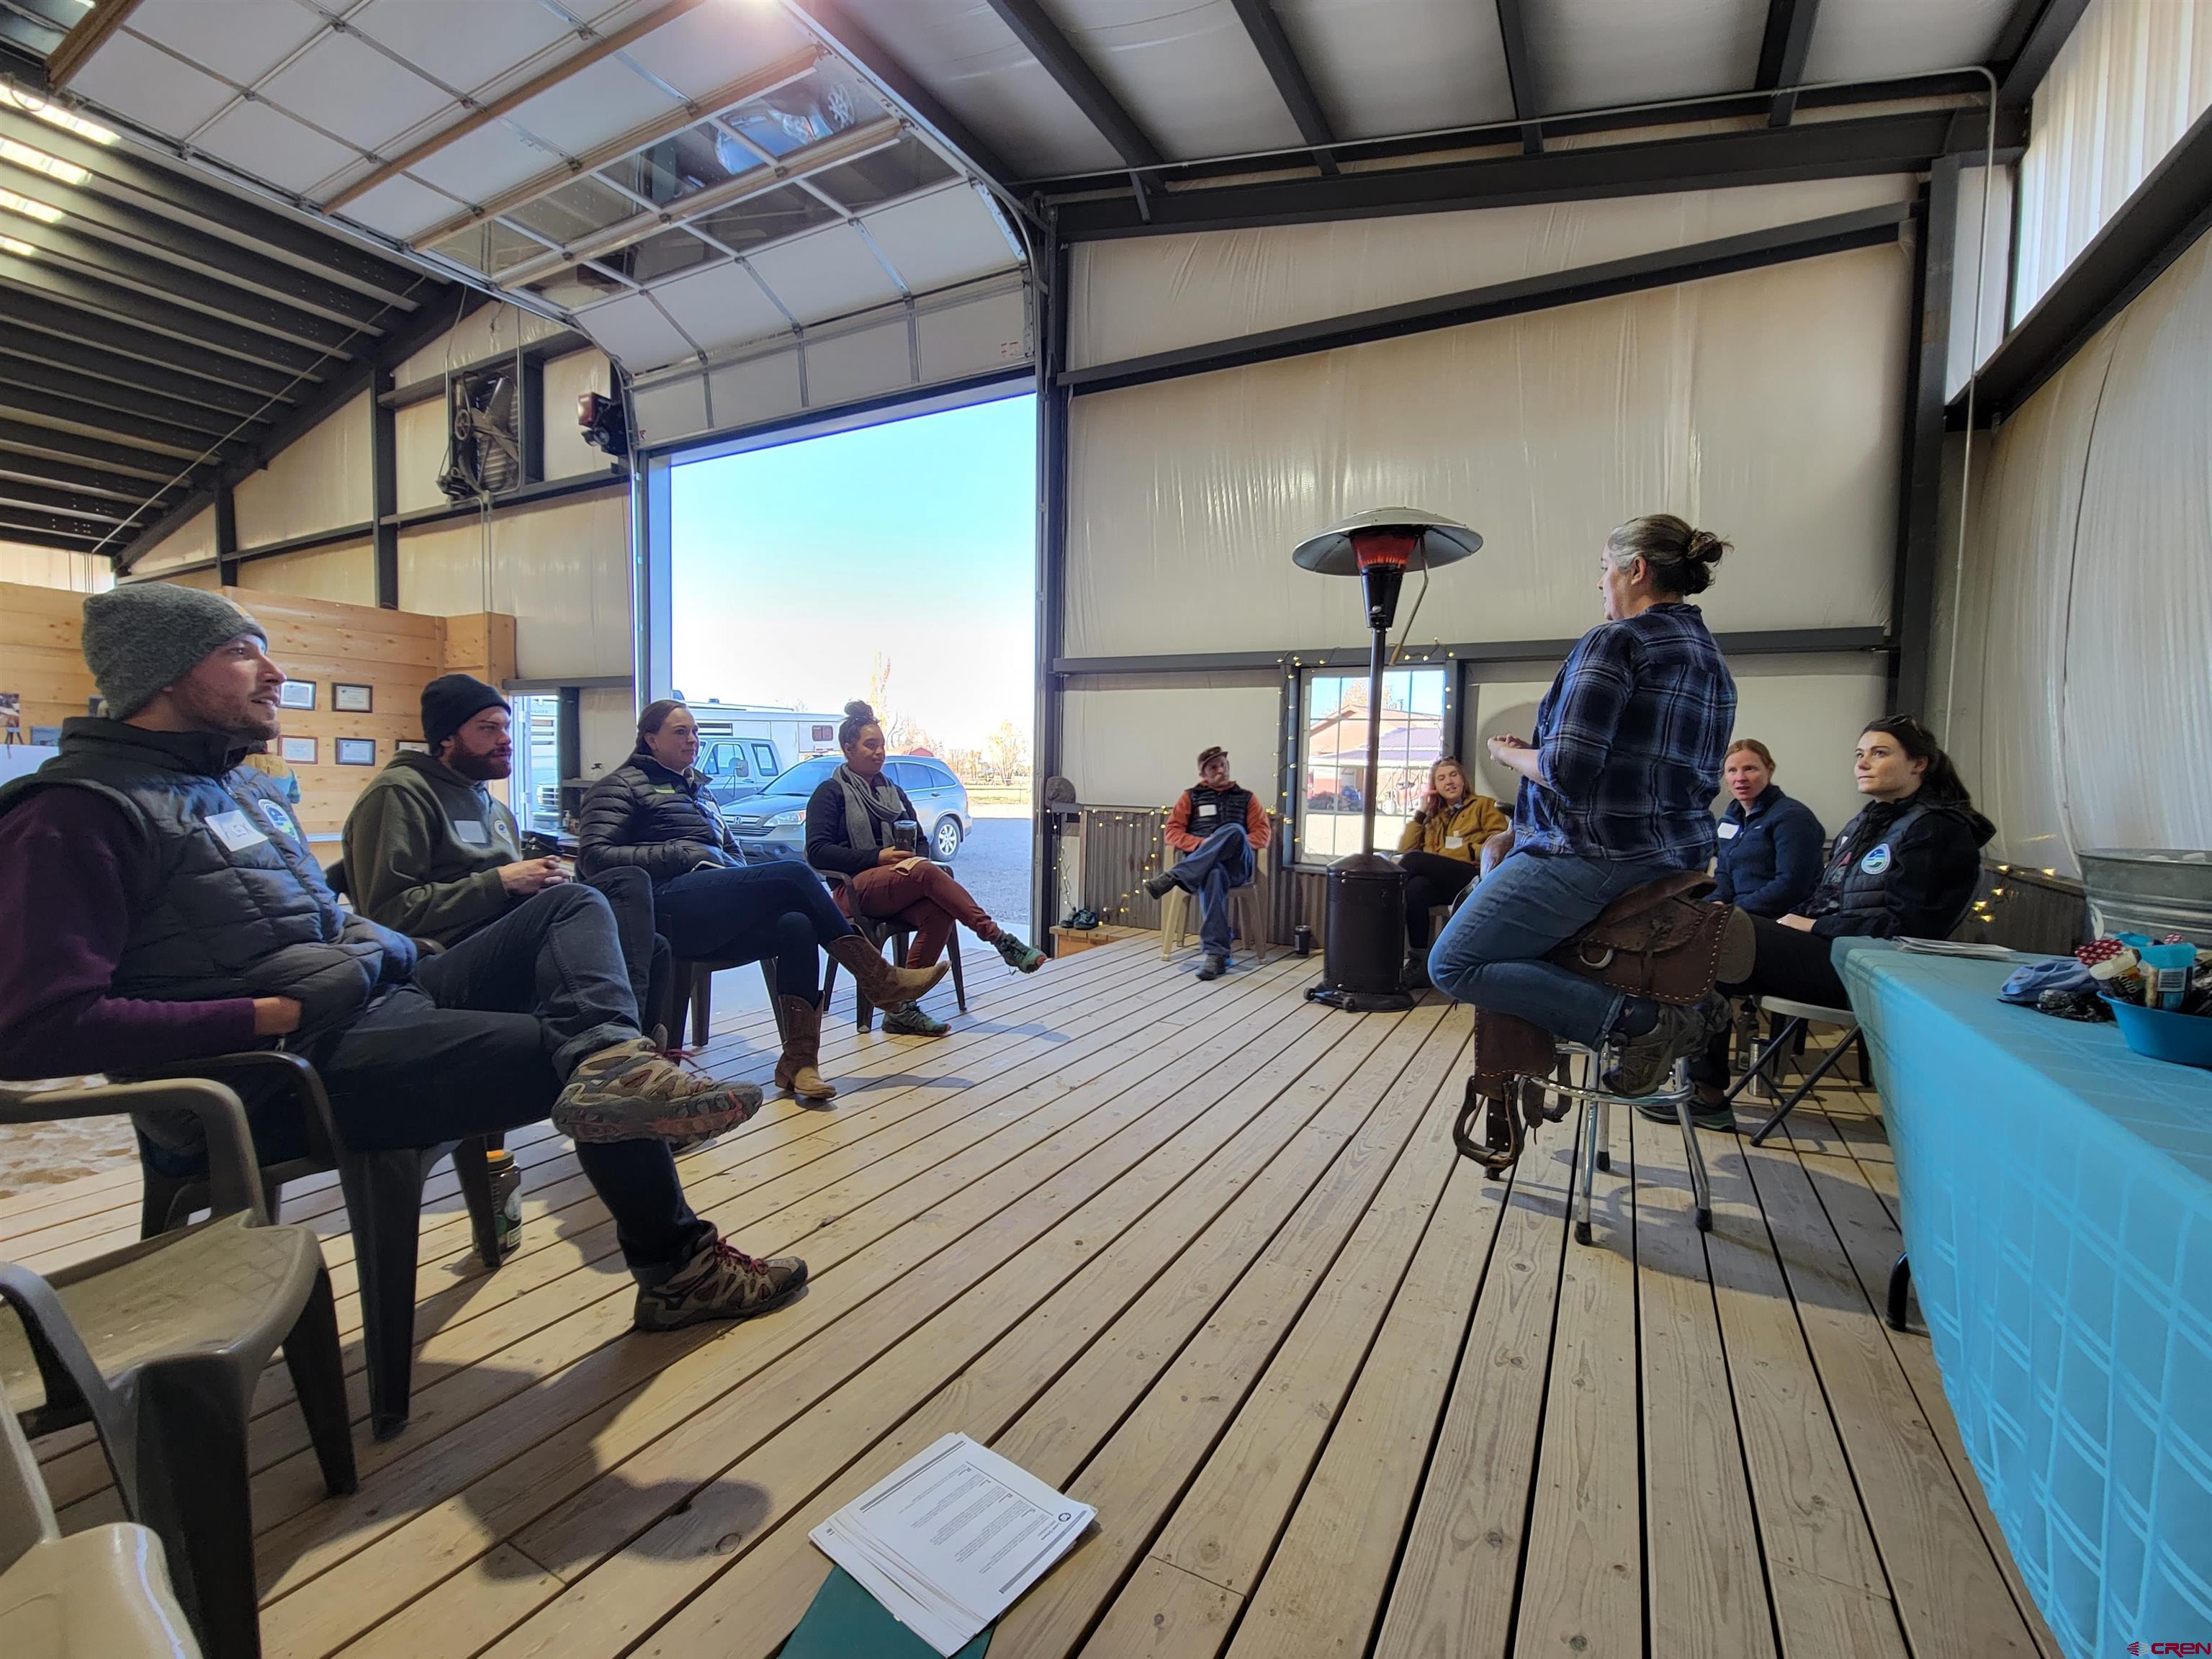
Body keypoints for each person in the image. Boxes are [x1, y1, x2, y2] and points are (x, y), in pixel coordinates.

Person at [0, 585, 803, 1331]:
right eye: (243, 651)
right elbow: (38, 1028)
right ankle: (678, 1262)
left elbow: (336, 916)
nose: (275, 671)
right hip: (275, 1070)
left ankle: (622, 1067)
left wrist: (375, 949)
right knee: (566, 1046)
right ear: (162, 674)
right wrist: (266, 1014)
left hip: (367, 1007)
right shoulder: (74, 814)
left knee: (584, 905)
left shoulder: (231, 790)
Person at [1428, 514, 1738, 1097]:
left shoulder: (1615, 640)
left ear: (1635, 570)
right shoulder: (1711, 660)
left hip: (1595, 853)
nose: (1599, 583)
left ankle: (1644, 1023)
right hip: (1677, 858)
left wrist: (1509, 755)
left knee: (1454, 963)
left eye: (1603, 569)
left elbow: (1567, 771)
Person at [578, 699, 945, 1098]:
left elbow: (731, 851)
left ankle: (800, 1063)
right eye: (680, 732)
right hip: (663, 908)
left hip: (710, 901)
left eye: (696, 731)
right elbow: (595, 858)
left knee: (796, 925)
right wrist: (684, 854)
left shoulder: (699, 790)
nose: (693, 739)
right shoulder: (619, 787)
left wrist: (728, 868)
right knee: (794, 873)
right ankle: (880, 978)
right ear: (650, 738)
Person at [1674, 716, 1994, 1123]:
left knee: (1714, 932)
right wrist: (1800, 919)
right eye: (1860, 754)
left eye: (1879, 754)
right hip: (1830, 950)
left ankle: (1695, 1086)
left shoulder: (1936, 830)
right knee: (1703, 946)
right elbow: (1826, 895)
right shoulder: (1869, 821)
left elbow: (1911, 930)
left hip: (1869, 969)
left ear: (1919, 763)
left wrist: (1811, 925)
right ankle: (1704, 1093)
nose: (1863, 763)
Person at [341, 675, 667, 1040]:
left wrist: (537, 884)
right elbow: (388, 914)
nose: (506, 739)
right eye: (488, 728)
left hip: (504, 934)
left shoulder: (494, 807)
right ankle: (621, 1048)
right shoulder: (399, 794)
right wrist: (501, 882)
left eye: (506, 727)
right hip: (442, 957)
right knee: (579, 904)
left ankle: (626, 1047)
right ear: (446, 737)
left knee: (637, 908)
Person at [805, 701, 1043, 1035]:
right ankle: (998, 938)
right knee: (929, 872)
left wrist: (906, 857)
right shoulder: (830, 793)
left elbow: (917, 840)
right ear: (848, 749)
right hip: (853, 890)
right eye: (870, 745)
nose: (879, 753)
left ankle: (902, 1008)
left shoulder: (893, 792)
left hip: (897, 883)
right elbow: (816, 852)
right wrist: (878, 857)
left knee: (939, 910)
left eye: (882, 745)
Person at [1142, 745, 1273, 981]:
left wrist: (1228, 842)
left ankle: (1173, 877)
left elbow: (1262, 835)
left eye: (1223, 765)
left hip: (1237, 867)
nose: (1220, 770)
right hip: (1206, 868)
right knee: (1212, 873)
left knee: (1234, 830)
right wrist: (1203, 845)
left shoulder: (1247, 798)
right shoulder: (1190, 797)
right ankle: (1217, 954)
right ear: (1203, 774)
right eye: (1214, 767)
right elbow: (1172, 833)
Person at [1394, 755, 1509, 986]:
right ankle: (1420, 963)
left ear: (1463, 780)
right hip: (1441, 882)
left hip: (1471, 877)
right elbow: (1405, 849)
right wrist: (1421, 813)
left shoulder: (1484, 805)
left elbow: (1499, 846)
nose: (1449, 781)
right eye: (1441, 778)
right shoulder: (1433, 817)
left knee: (1413, 862)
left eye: (1453, 775)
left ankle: (1381, 918)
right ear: (1435, 787)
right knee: (1417, 888)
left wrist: (1459, 852)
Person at [1709, 738, 1825, 919]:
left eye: (1749, 769)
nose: (1740, 778)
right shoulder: (1729, 820)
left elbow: (1791, 885)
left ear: (1769, 770)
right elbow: (1724, 871)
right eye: (1732, 771)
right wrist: (1716, 902)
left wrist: (1733, 911)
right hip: (1739, 915)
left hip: (1780, 918)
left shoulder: (1792, 817)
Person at [240, 741, 302, 805]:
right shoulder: (287, 768)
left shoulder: (239, 765)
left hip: (248, 809)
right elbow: (295, 798)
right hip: (277, 810)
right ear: (265, 748)